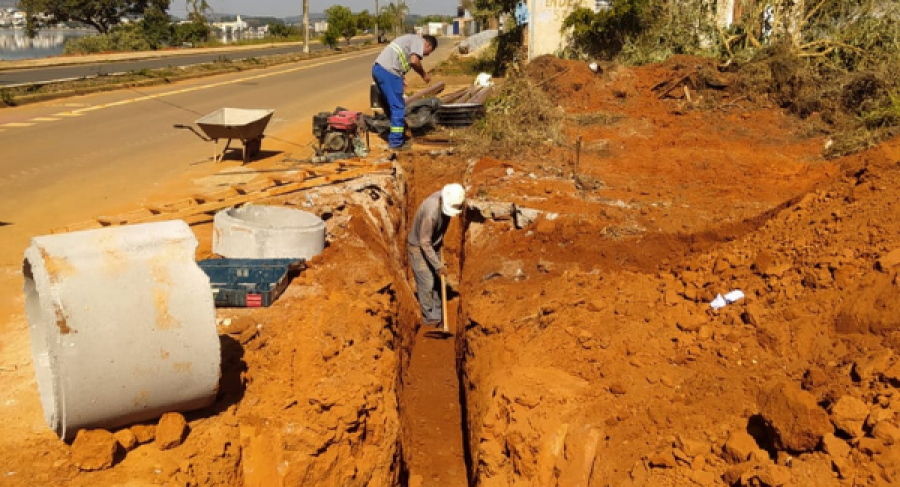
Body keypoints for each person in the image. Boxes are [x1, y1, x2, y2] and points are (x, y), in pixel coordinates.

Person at [407, 183, 465, 327]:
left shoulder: (449, 198)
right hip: (418, 247)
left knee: (440, 282)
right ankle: (429, 319)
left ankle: (439, 315)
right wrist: (438, 265)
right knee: (427, 282)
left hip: (434, 244)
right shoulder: (430, 214)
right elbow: (424, 242)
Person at [371, 34, 437, 150]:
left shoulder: (409, 39)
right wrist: (423, 74)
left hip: (378, 69)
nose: (426, 55)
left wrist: (401, 77)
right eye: (428, 51)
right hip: (390, 72)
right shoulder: (418, 41)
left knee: (388, 105)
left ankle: (397, 133)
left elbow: (399, 58)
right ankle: (396, 143)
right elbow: (414, 61)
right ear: (427, 44)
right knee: (398, 107)